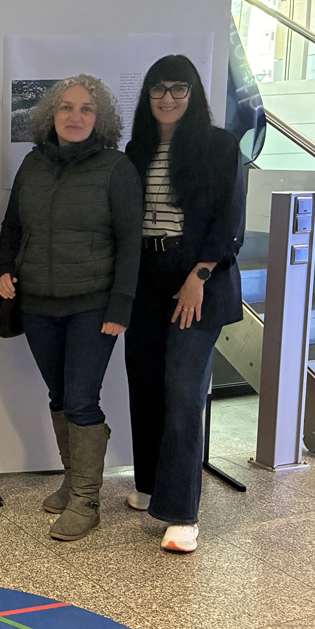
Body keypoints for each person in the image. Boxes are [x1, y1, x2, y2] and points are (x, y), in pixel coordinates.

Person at [0, 75, 142, 542]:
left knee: (80, 400)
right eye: (66, 107)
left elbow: (131, 243)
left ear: (100, 119)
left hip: (92, 306)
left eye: (86, 109)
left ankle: (86, 501)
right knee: (59, 397)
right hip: (37, 303)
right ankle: (73, 479)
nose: (75, 116)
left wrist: (120, 306)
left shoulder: (117, 168)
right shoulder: (32, 163)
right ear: (51, 115)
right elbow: (13, 225)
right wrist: (2, 268)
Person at [123, 55, 245, 554]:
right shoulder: (137, 149)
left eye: (178, 88)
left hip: (198, 278)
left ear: (193, 93)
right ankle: (151, 484)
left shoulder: (219, 146)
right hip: (145, 277)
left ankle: (180, 514)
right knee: (144, 383)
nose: (168, 97)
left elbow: (229, 221)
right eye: (158, 88)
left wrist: (199, 275)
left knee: (182, 390)